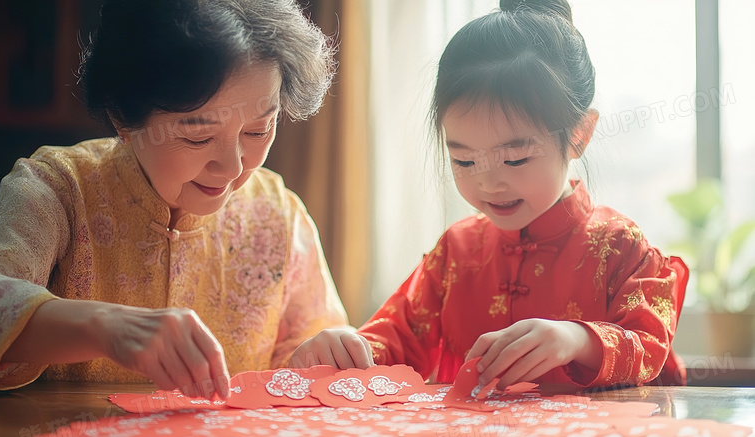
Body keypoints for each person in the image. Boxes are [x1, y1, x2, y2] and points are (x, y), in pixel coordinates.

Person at [290, 0, 689, 390]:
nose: (488, 184)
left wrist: (578, 340)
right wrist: (346, 347)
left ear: (579, 135)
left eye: (515, 159)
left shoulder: (621, 248)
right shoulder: (456, 253)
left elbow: (649, 347)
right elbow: (396, 343)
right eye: (464, 162)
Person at [0, 0, 351, 400]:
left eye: (258, 131)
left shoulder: (279, 213)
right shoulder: (59, 189)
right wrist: (105, 326)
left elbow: (309, 341)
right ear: (123, 117)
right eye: (197, 137)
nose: (231, 167)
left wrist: (319, 355)